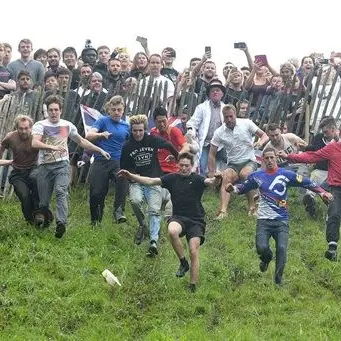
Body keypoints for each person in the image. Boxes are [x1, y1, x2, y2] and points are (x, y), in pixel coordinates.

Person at [226, 148, 333, 285]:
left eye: (272, 157)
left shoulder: (286, 174)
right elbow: (242, 188)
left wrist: (322, 192)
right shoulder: (257, 176)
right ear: (263, 160)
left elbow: (306, 182)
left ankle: (278, 281)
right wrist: (232, 188)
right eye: (267, 158)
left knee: (282, 249)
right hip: (263, 220)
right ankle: (266, 259)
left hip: (281, 219)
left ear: (276, 158)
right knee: (262, 248)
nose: (270, 160)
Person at [118, 153, 222, 292]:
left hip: (196, 220)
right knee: (172, 231)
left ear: (192, 166)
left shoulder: (197, 179)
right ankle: (183, 262)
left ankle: (193, 285)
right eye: (182, 165)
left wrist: (218, 177)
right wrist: (131, 176)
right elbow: (150, 181)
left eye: (187, 166)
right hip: (179, 217)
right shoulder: (172, 178)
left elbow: (212, 182)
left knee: (193, 250)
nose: (184, 168)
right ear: (178, 165)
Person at [31, 95, 110, 238]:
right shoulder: (40, 125)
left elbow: (81, 141)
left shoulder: (66, 125)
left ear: (61, 110)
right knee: (44, 201)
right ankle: (47, 219)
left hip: (62, 165)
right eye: (51, 110)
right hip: (44, 166)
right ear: (47, 111)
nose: (53, 113)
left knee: (61, 191)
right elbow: (35, 143)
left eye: (56, 110)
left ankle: (61, 223)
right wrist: (52, 147)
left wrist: (100, 150)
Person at [120, 114, 179, 253]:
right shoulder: (127, 146)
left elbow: (168, 144)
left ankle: (153, 241)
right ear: (131, 130)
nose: (138, 133)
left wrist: (178, 158)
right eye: (135, 131)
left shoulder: (152, 140)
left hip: (153, 180)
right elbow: (123, 167)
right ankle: (142, 224)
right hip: (136, 181)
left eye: (140, 130)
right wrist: (131, 177)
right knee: (135, 201)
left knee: (154, 210)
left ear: (145, 129)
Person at [278, 139, 341, 261]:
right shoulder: (332, 148)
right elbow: (312, 156)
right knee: (333, 213)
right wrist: (289, 156)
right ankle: (332, 248)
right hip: (336, 188)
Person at [208, 104, 268, 220]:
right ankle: (223, 211)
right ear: (223, 117)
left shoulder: (246, 123)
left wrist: (260, 143)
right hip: (233, 164)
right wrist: (211, 173)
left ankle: (252, 208)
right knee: (226, 176)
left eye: (231, 116)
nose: (229, 119)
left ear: (235, 115)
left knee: (245, 175)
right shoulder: (219, 132)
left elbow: (264, 135)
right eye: (226, 117)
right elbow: (211, 153)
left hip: (249, 160)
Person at [86, 95, 130, 225]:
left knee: (123, 179)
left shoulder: (126, 126)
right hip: (100, 160)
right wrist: (101, 135)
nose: (116, 112)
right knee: (96, 192)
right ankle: (95, 221)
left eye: (119, 110)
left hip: (117, 162)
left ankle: (118, 211)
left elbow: (130, 144)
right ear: (109, 110)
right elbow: (89, 135)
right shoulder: (103, 121)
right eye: (114, 109)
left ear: (123, 110)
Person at [0, 115, 40, 224]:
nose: (23, 131)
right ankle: (30, 221)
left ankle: (39, 213)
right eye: (21, 129)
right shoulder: (10, 137)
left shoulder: (36, 137)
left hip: (34, 168)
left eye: (26, 128)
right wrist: (8, 161)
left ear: (31, 128)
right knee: (25, 196)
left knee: (36, 181)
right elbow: (2, 147)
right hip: (18, 173)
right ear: (17, 128)